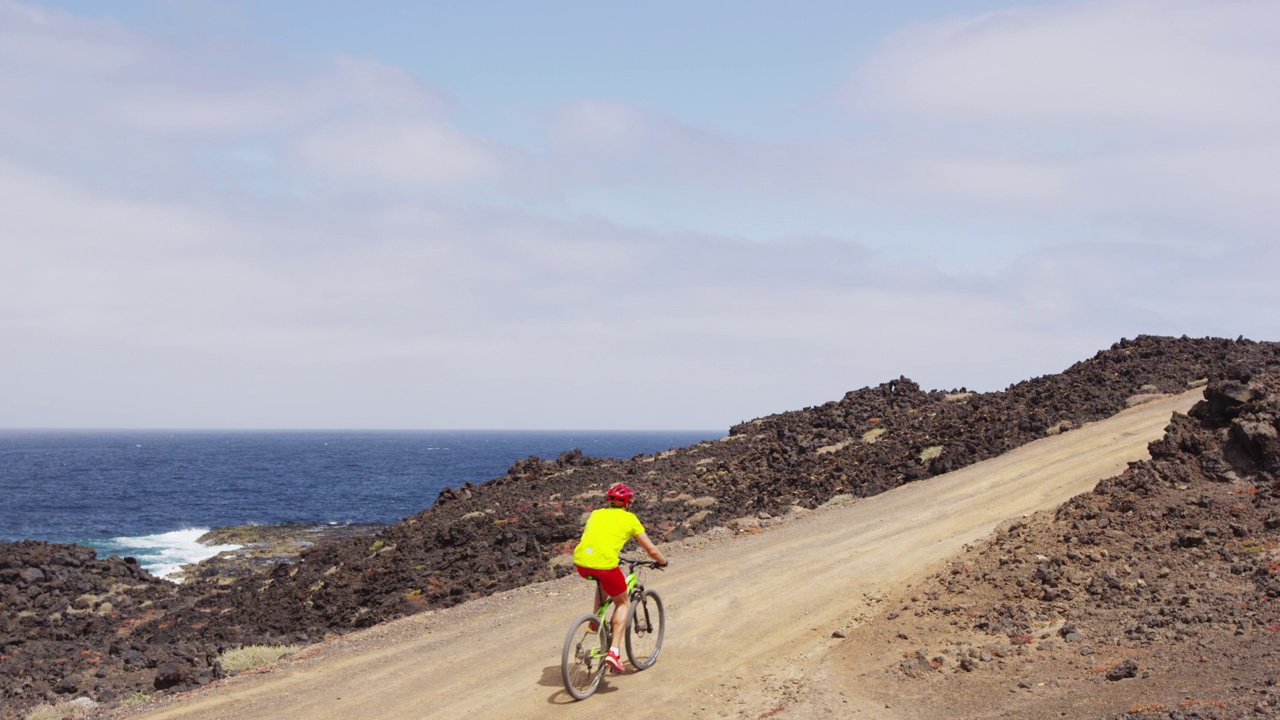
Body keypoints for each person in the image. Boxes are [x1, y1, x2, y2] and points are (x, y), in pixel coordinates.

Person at [573, 482, 667, 673]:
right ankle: (614, 652)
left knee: (603, 583)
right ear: (627, 503)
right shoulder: (630, 519)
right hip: (605, 565)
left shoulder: (596, 513)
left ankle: (594, 621)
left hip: (581, 563)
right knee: (622, 602)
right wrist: (662, 562)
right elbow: (650, 549)